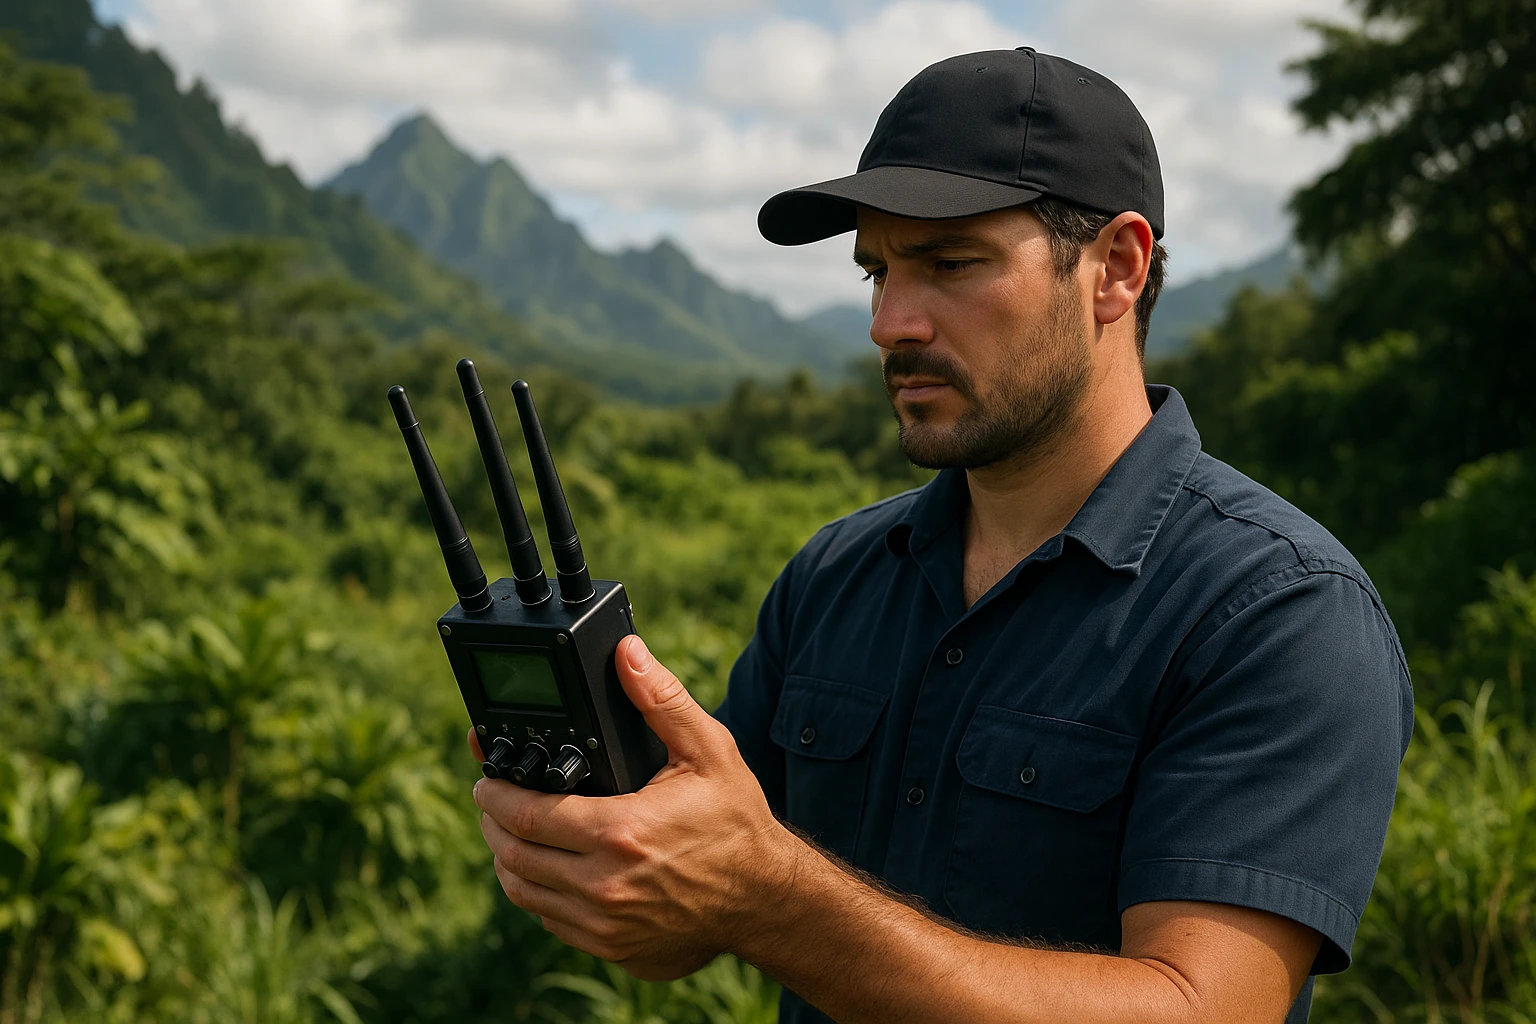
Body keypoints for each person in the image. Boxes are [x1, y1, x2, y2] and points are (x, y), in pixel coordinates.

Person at [468, 47, 1412, 1024]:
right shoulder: (834, 578)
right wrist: (602, 857)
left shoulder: (1277, 612)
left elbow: (1199, 1009)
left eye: (950, 263)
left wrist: (772, 893)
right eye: (878, 269)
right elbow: (686, 927)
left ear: (1116, 269)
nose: (889, 322)